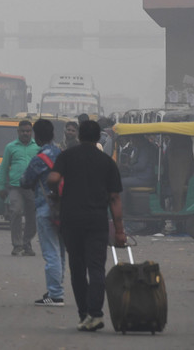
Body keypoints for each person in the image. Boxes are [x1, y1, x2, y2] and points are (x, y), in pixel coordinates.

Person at [48, 120, 125, 332]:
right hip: (97, 222)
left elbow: (53, 178)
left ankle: (84, 315)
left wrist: (54, 190)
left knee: (78, 269)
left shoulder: (67, 156)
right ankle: (96, 314)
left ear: (80, 135)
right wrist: (119, 231)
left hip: (72, 221)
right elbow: (115, 198)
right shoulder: (107, 162)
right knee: (97, 268)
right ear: (98, 138)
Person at [20, 119, 65, 307]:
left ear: (36, 136)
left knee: (50, 251)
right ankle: (56, 289)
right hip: (64, 208)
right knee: (60, 250)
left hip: (46, 207)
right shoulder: (61, 154)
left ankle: (55, 294)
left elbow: (26, 181)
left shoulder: (39, 159)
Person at [0, 119, 40, 256]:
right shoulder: (10, 147)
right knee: (16, 212)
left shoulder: (37, 147)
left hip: (33, 188)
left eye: (28, 131)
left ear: (31, 132)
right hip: (15, 186)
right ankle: (17, 244)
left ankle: (27, 243)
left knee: (32, 217)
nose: (25, 133)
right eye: (23, 131)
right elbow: (4, 168)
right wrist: (1, 186)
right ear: (18, 132)